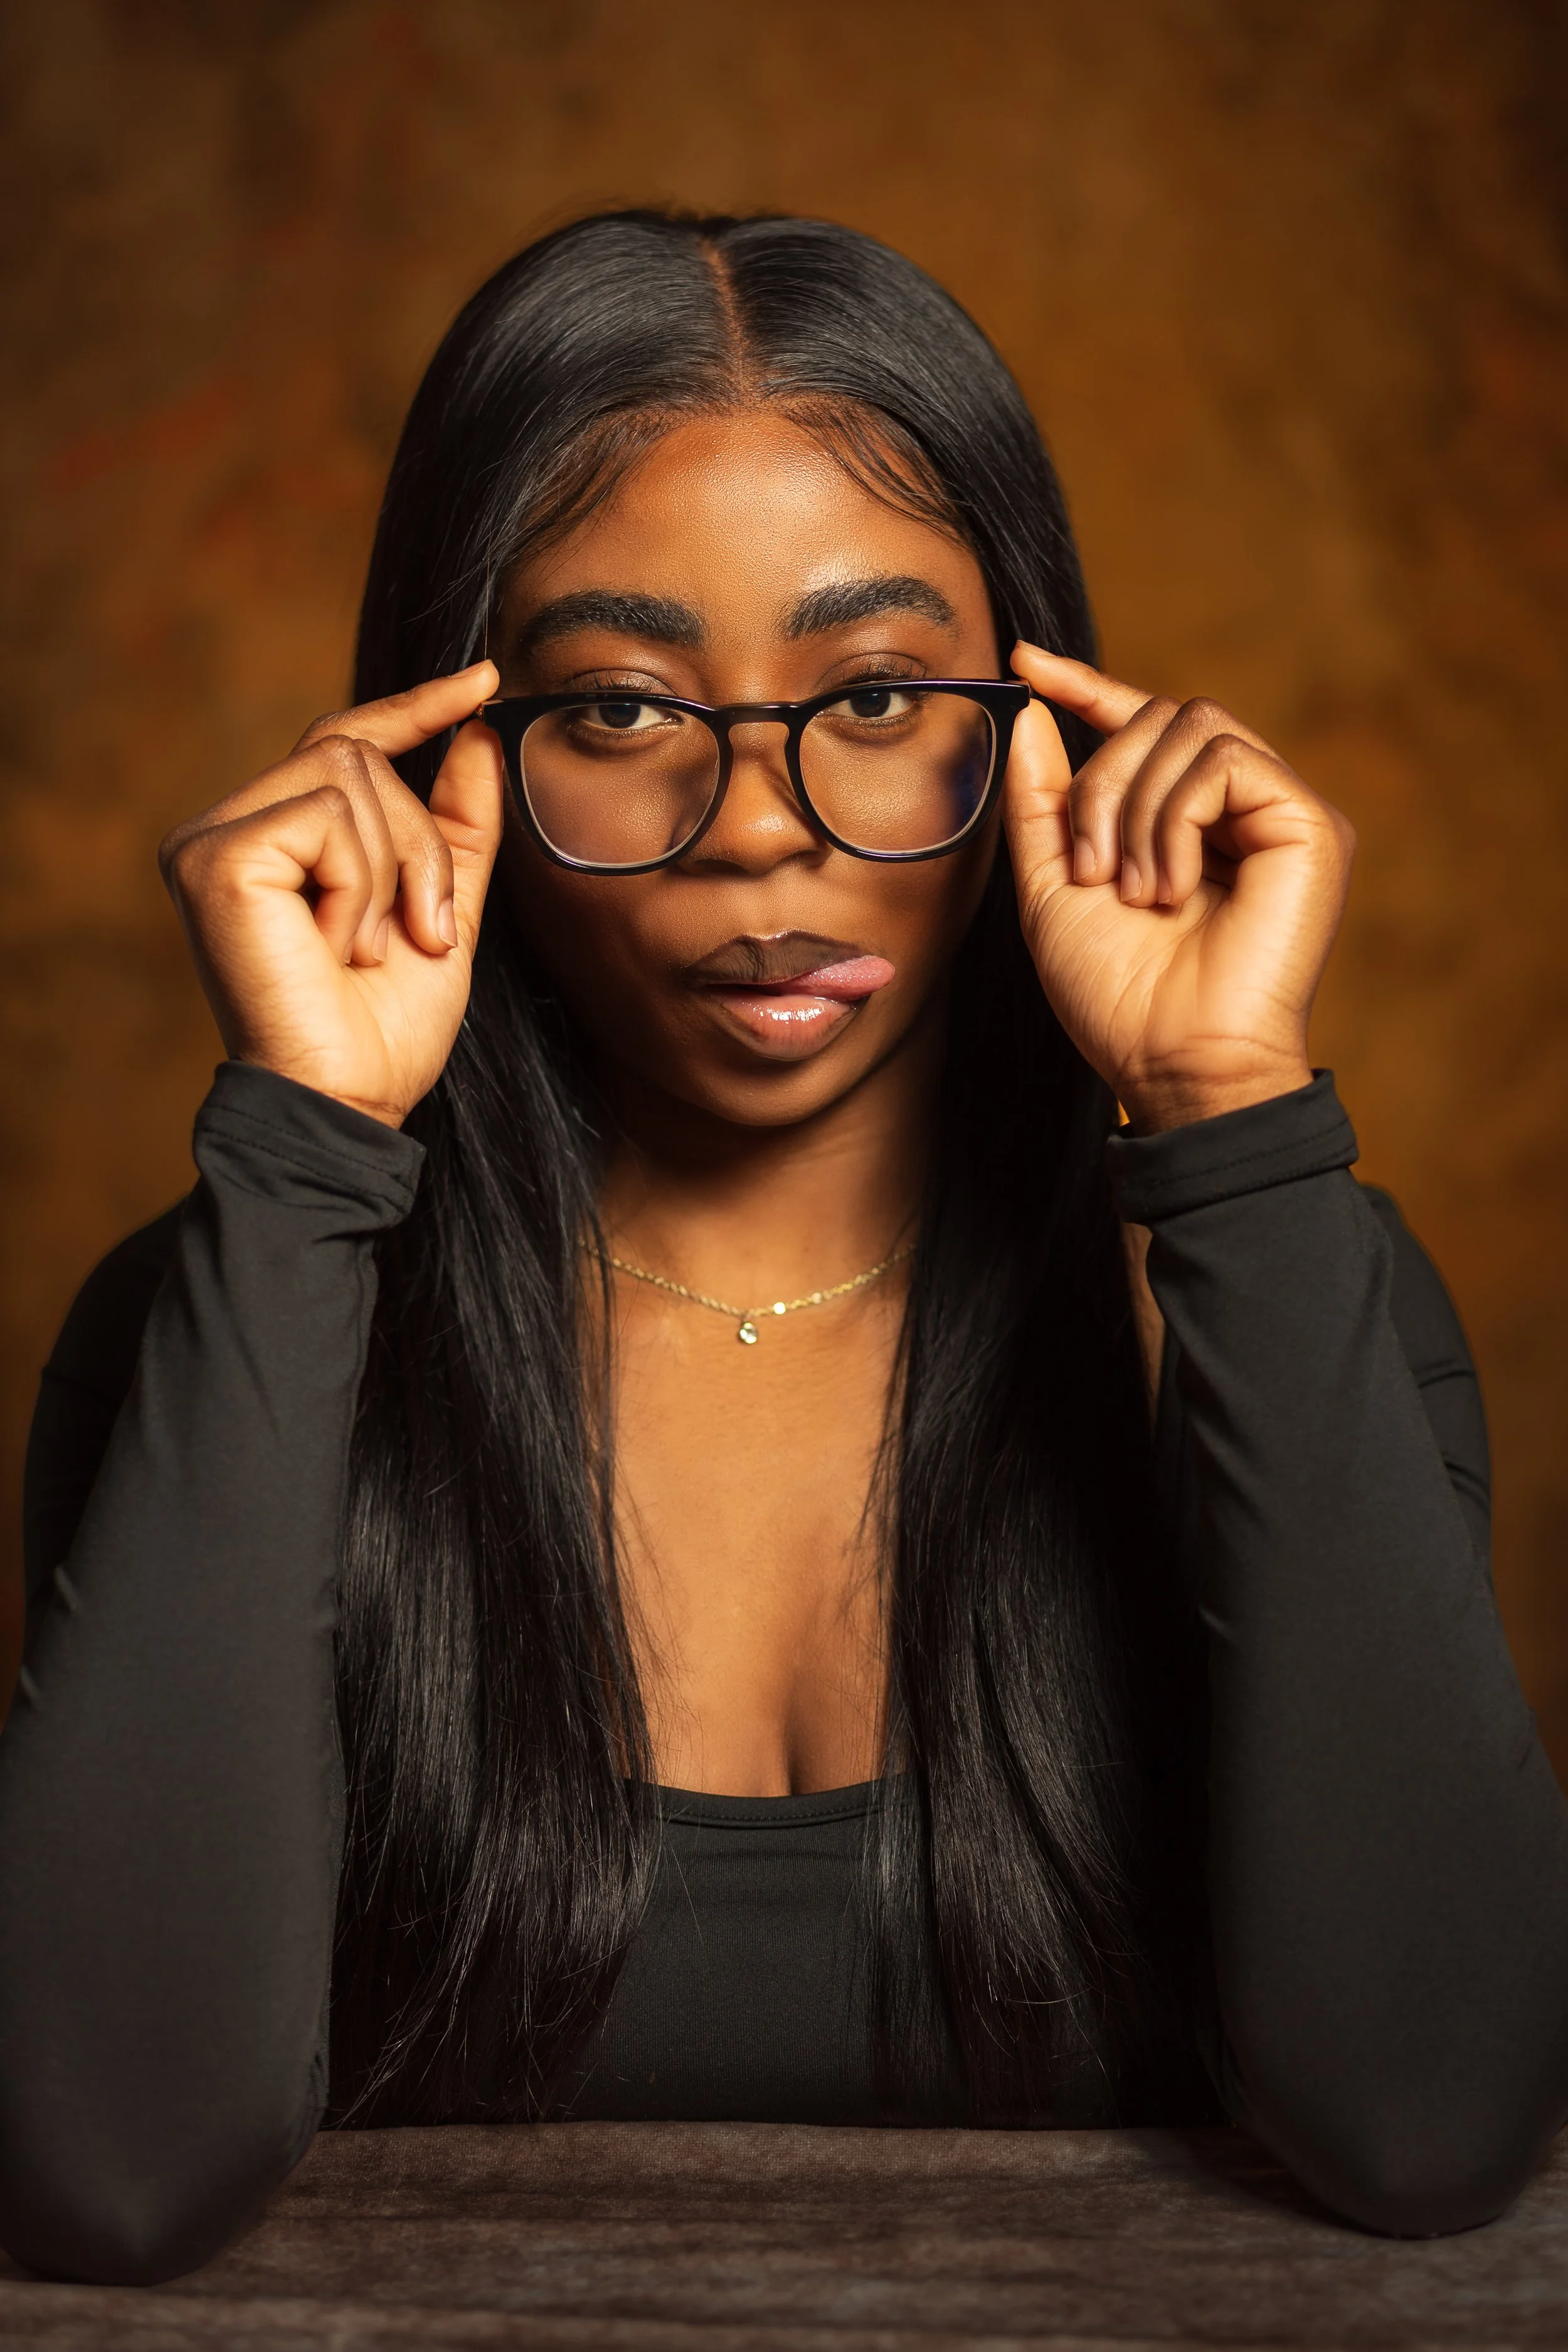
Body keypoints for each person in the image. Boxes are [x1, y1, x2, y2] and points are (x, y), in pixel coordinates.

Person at [3, 208, 1565, 2288]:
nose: (761, 826)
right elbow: (110, 2168)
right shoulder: (224, 1320)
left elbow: (1429, 2113)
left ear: (1039, 723)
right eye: (624, 709)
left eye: (884, 689)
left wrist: (1232, 1126)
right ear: (440, 747)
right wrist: (299, 1159)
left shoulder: (1286, 1298)